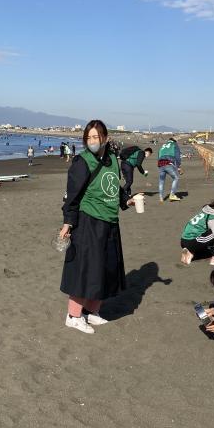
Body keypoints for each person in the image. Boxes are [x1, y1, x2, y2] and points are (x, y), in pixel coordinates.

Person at [59, 120, 128, 334]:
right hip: (89, 221)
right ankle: (73, 316)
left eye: (96, 137)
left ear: (105, 138)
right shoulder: (82, 162)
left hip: (110, 222)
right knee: (85, 269)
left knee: (106, 269)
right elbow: (72, 196)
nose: (92, 141)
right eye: (88, 137)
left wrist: (128, 201)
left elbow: (115, 188)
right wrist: (67, 223)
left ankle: (91, 312)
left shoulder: (112, 160)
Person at [157, 138, 182, 202]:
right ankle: (172, 195)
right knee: (176, 178)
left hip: (160, 164)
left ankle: (161, 197)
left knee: (161, 181)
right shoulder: (174, 144)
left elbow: (158, 155)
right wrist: (178, 166)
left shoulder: (163, 145)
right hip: (168, 163)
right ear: (174, 141)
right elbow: (177, 156)